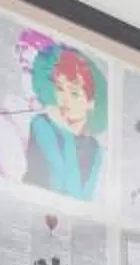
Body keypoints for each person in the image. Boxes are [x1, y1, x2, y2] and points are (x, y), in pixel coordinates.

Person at [22, 42, 105, 200]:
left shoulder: (94, 148)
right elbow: (59, 184)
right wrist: (67, 131)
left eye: (74, 93)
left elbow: (82, 199)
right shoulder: (42, 124)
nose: (64, 100)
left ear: (90, 101)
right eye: (60, 88)